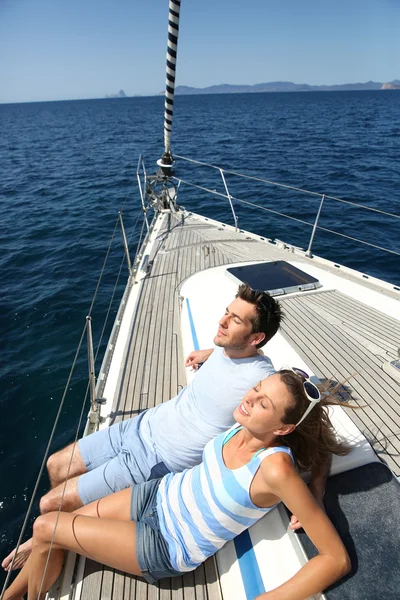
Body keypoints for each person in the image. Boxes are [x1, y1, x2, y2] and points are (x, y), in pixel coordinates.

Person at [2, 284, 328, 571]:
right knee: (55, 464)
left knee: (49, 505)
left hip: (155, 461)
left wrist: (316, 490)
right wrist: (208, 353)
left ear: (256, 338)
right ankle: (55, 536)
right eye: (226, 313)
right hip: (140, 425)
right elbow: (224, 355)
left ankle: (47, 555)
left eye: (235, 320)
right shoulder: (228, 348)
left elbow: (315, 423)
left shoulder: (261, 377)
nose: (222, 321)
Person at [3, 369, 351, 600]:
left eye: (264, 403)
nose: (249, 398)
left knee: (46, 526)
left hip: (167, 544)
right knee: (52, 533)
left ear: (283, 428)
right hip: (155, 493)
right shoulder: (242, 424)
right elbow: (318, 442)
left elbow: (336, 559)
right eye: (256, 388)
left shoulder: (275, 469)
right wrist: (318, 489)